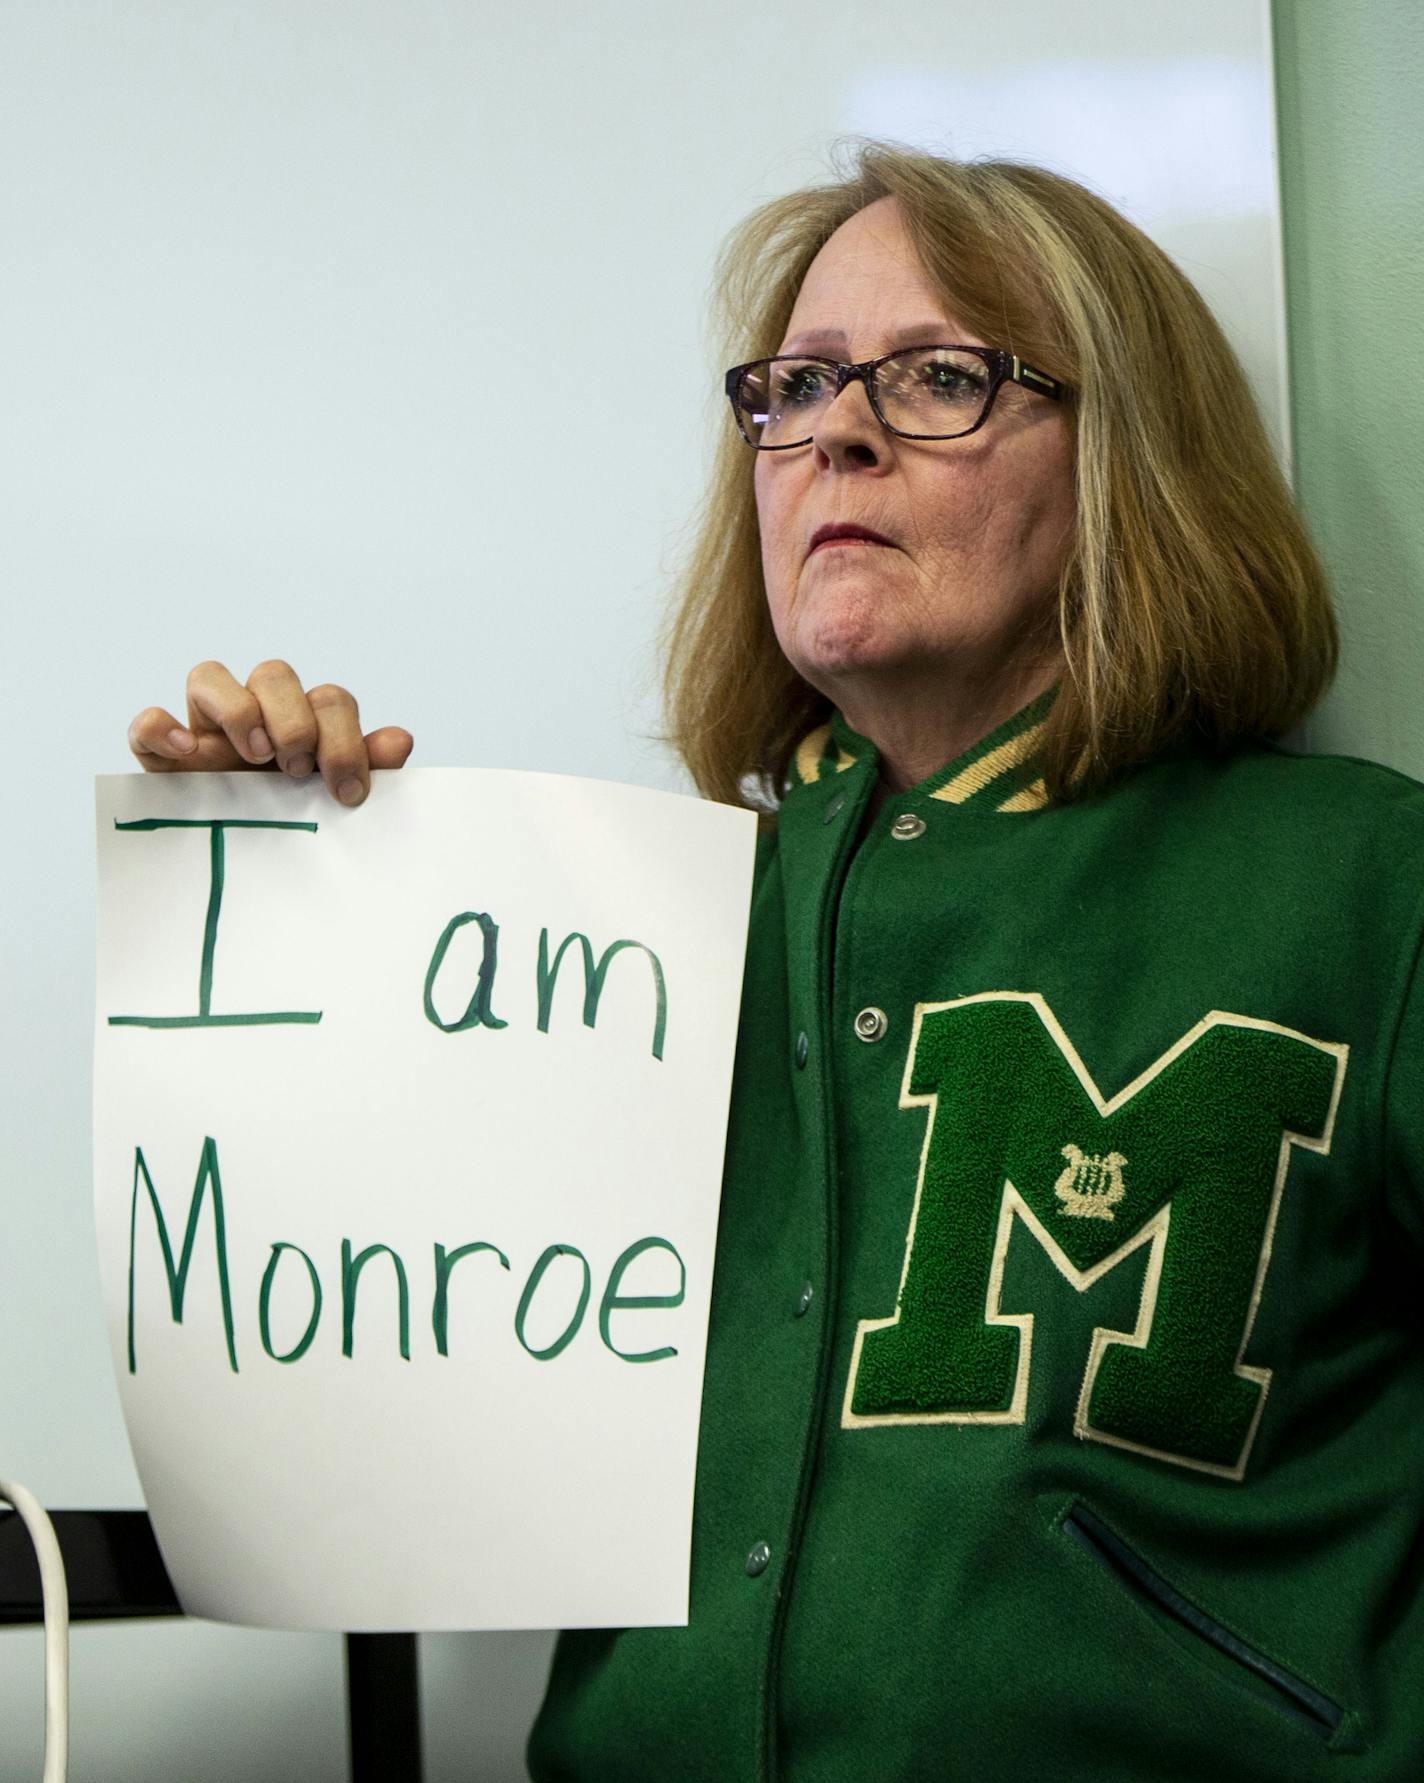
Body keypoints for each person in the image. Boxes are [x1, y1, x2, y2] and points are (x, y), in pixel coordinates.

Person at [127, 144, 1424, 1781]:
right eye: (797, 388)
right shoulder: (599, 951)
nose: (838, 432)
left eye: (941, 377)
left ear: (1131, 462)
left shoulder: (1369, 885)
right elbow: (331, 1430)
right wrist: (283, 892)